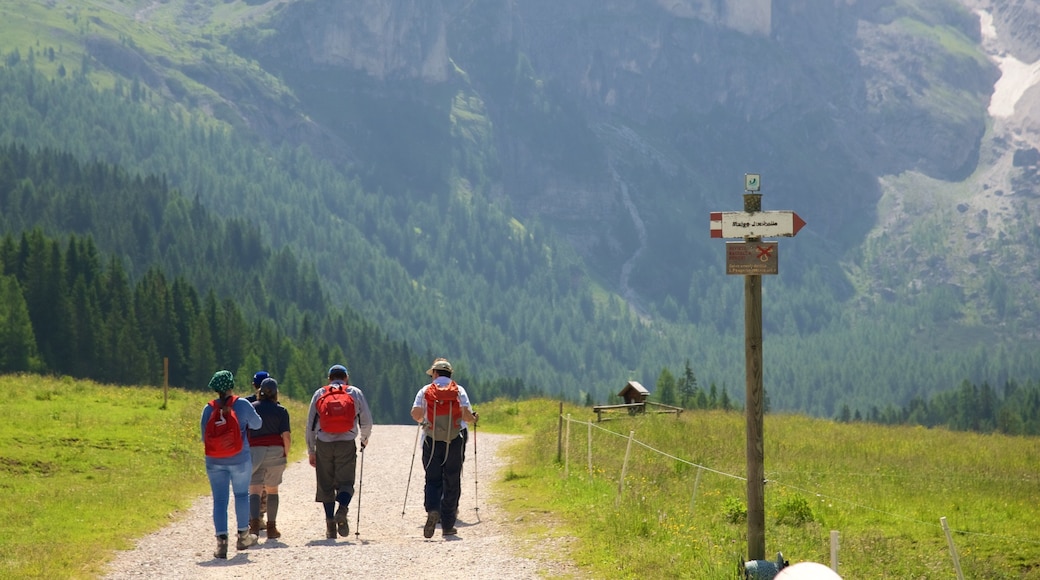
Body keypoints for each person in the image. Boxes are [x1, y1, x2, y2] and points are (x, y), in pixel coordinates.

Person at [410, 357, 477, 538]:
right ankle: (448, 525)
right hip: (455, 439)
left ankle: (433, 509)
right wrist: (474, 418)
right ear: (450, 374)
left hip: (431, 439)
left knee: (432, 478)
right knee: (452, 479)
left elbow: (415, 413)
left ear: (435, 374)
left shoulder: (425, 391)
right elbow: (466, 415)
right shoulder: (458, 390)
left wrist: (424, 421)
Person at [305, 364, 373, 539]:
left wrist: (311, 449)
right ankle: (342, 509)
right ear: (346, 377)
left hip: (324, 444)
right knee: (346, 483)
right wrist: (364, 439)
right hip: (346, 443)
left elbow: (310, 425)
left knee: (325, 484)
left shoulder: (320, 393)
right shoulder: (355, 392)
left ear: (329, 378)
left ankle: (330, 526)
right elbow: (366, 420)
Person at [200, 370, 263, 559]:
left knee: (220, 500)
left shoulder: (208, 409)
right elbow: (258, 424)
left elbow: (205, 437)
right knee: (242, 495)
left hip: (214, 461)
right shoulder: (242, 404)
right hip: (240, 459)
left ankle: (221, 543)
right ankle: (243, 536)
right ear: (231, 386)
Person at [247, 377, 291, 540]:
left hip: (254, 452)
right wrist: (285, 454)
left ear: (260, 391)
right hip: (275, 452)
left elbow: (245, 432)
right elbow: (286, 436)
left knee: (254, 490)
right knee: (272, 490)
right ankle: (271, 528)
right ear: (276, 393)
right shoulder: (281, 411)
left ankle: (254, 527)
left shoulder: (251, 408)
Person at [246, 370, 270, 525]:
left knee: (252, 483)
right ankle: (260, 516)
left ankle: (252, 516)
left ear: (254, 384)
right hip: (268, 447)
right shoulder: (275, 403)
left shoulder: (246, 403)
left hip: (250, 446)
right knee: (265, 484)